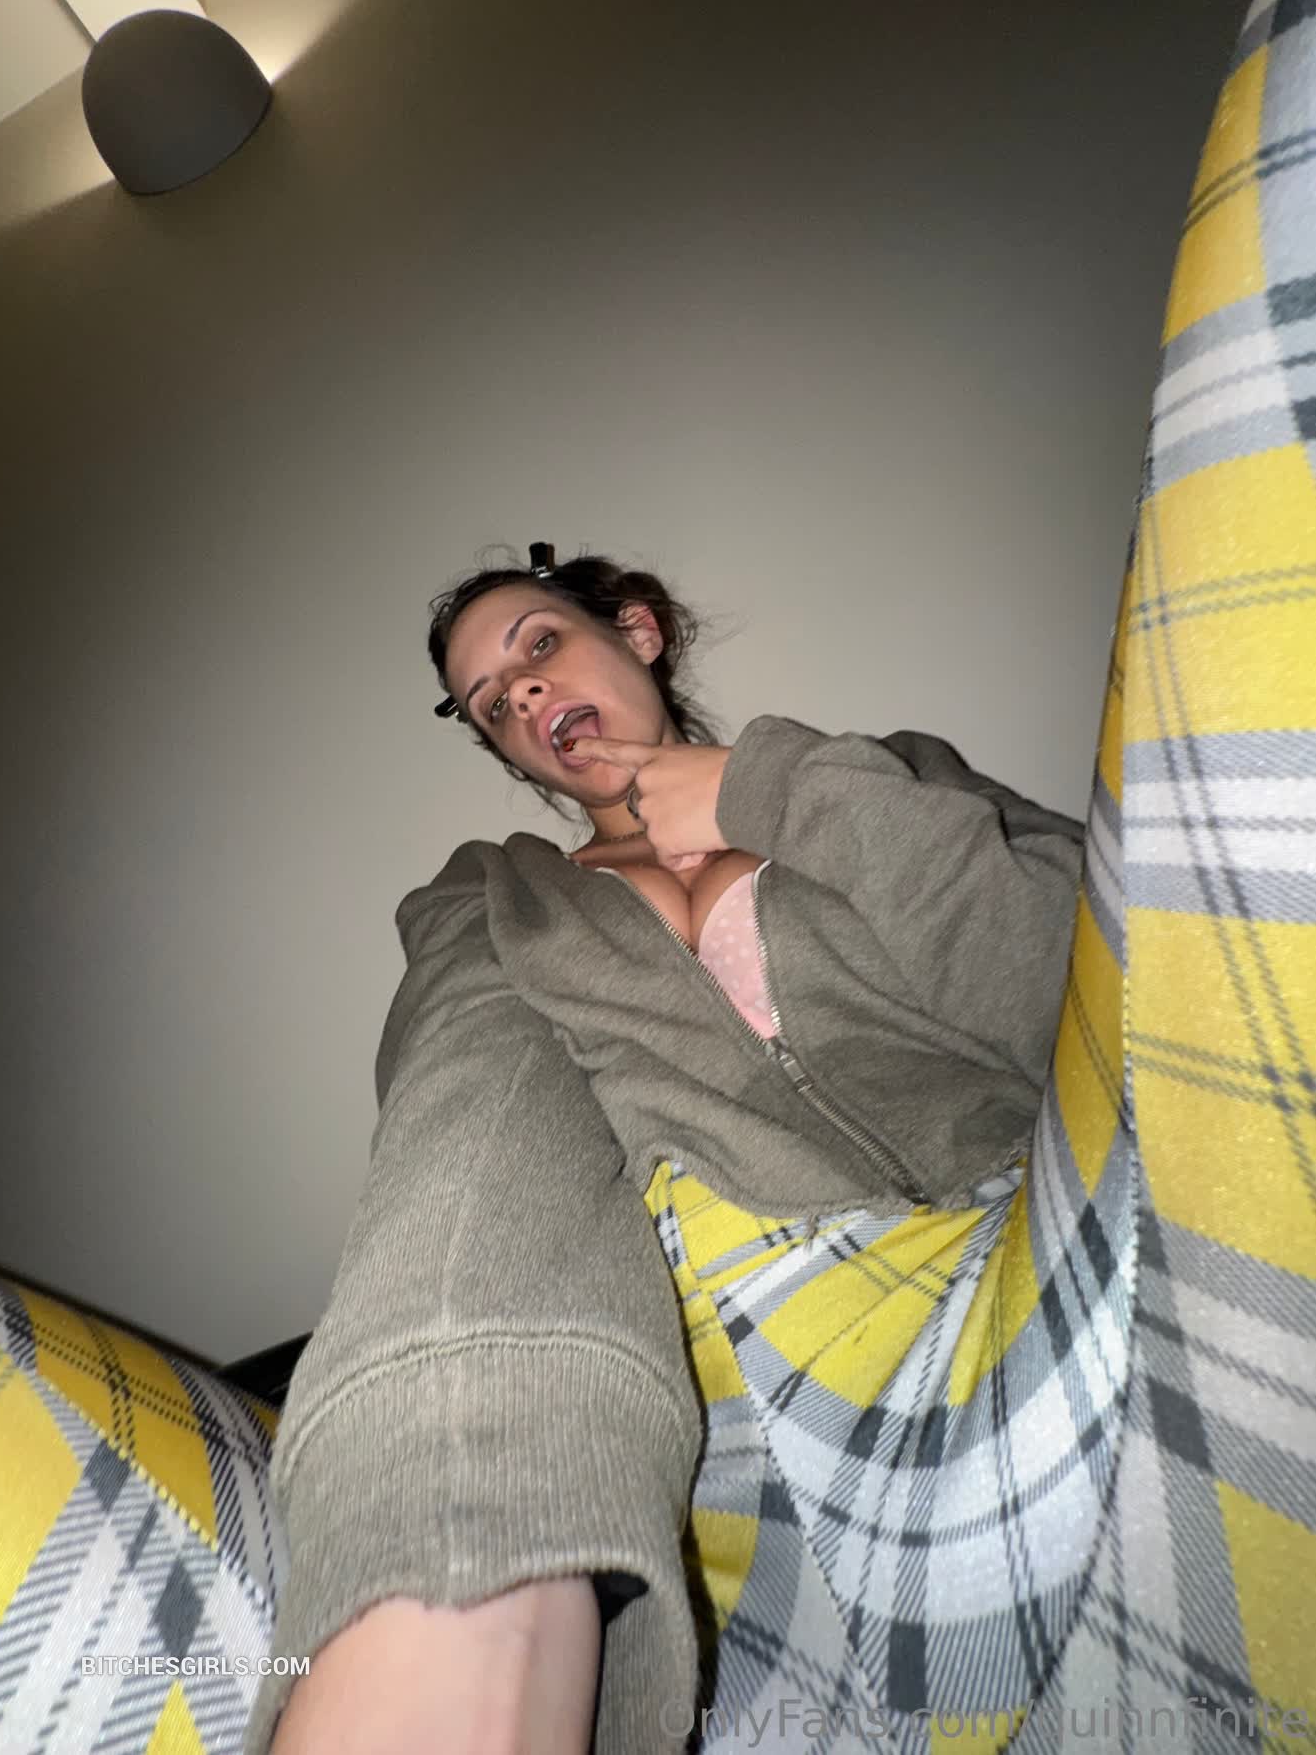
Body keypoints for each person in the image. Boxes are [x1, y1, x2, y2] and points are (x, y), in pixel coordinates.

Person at [244, 541, 1086, 1755]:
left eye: (538, 645)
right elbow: (469, 1111)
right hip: (729, 1360)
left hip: (1028, 1238)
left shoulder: (883, 774)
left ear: (637, 631)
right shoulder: (497, 897)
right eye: (492, 703)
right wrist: (463, 1526)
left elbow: (1097, 973)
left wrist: (770, 788)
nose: (522, 694)